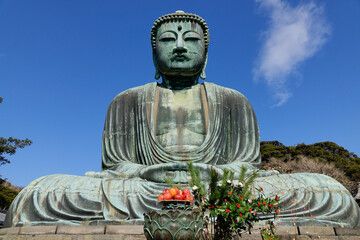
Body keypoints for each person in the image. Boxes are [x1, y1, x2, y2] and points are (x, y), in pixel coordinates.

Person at [5, 11, 360, 228]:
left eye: (190, 39)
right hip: (143, 190)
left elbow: (247, 166)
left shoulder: (234, 101)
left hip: (221, 190)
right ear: (153, 50)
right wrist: (144, 172)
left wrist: (219, 173)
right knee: (40, 193)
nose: (179, 46)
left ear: (205, 52)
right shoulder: (126, 101)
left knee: (330, 192)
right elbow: (115, 166)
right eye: (167, 39)